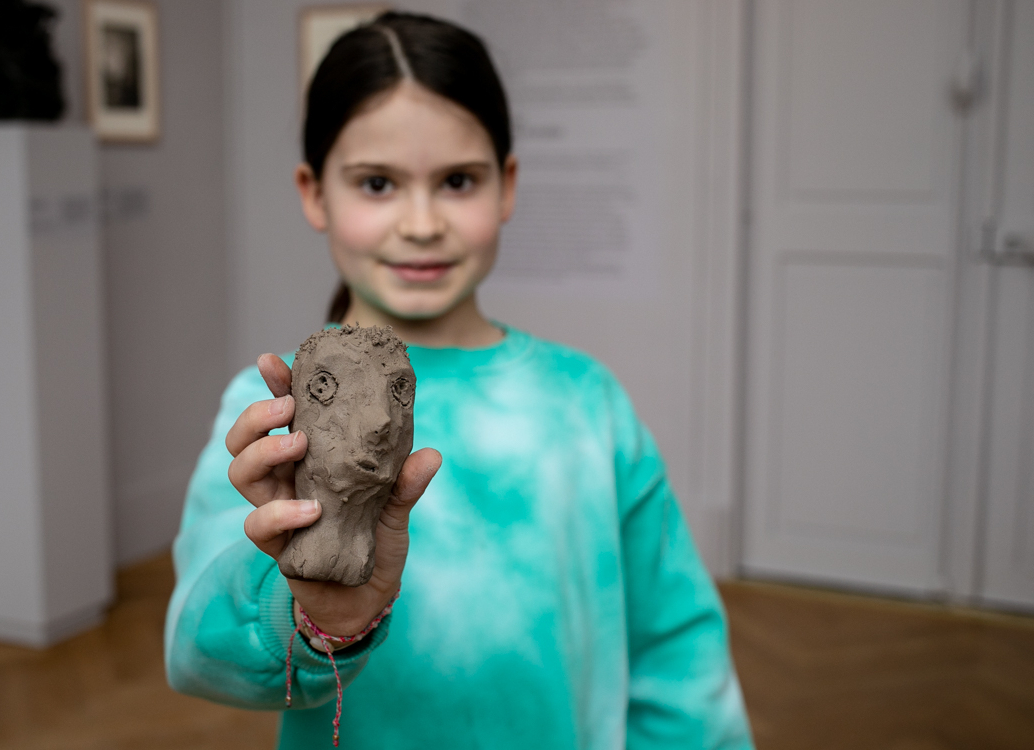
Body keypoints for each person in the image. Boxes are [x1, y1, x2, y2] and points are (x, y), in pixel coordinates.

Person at [166, 11, 754, 749]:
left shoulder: (585, 403)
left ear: (506, 185)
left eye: (457, 181)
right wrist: (312, 618)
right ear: (315, 192)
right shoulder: (270, 418)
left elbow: (677, 655)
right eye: (377, 183)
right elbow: (195, 658)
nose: (420, 222)